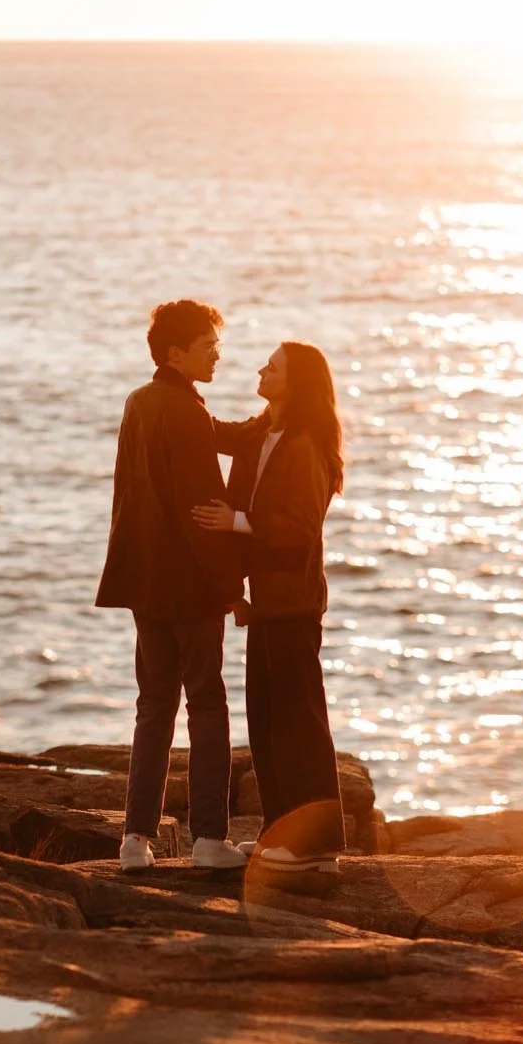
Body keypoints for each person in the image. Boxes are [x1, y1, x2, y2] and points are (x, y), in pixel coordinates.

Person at [94, 300, 265, 873]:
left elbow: (219, 436)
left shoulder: (143, 402)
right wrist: (232, 591)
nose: (218, 352)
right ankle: (209, 840)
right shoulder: (184, 411)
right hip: (188, 584)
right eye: (208, 344)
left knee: (154, 706)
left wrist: (272, 417)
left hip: (143, 581)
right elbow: (203, 513)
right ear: (176, 353)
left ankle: (134, 841)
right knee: (208, 704)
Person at [193, 341, 347, 873]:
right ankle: (279, 833)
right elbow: (214, 431)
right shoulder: (262, 432)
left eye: (273, 367)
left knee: (299, 721)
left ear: (296, 382)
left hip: (294, 603)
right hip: (263, 603)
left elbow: (300, 531)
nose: (260, 369)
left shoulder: (304, 445)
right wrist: (176, 386)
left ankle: (315, 843)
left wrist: (235, 522)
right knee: (265, 717)